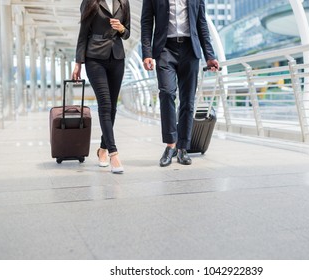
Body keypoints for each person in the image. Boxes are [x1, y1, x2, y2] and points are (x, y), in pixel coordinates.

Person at [141, 0, 219, 167]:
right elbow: (146, 23)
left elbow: (201, 23)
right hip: (164, 49)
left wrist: (210, 56)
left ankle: (183, 147)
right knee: (167, 93)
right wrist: (146, 53)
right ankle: (170, 145)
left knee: (187, 100)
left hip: (190, 49)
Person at [72, 0, 130, 174]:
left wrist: (121, 28)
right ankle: (114, 153)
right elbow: (83, 33)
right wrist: (78, 63)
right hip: (95, 58)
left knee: (112, 107)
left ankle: (102, 150)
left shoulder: (123, 2)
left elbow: (127, 33)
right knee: (105, 105)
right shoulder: (90, 2)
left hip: (117, 58)